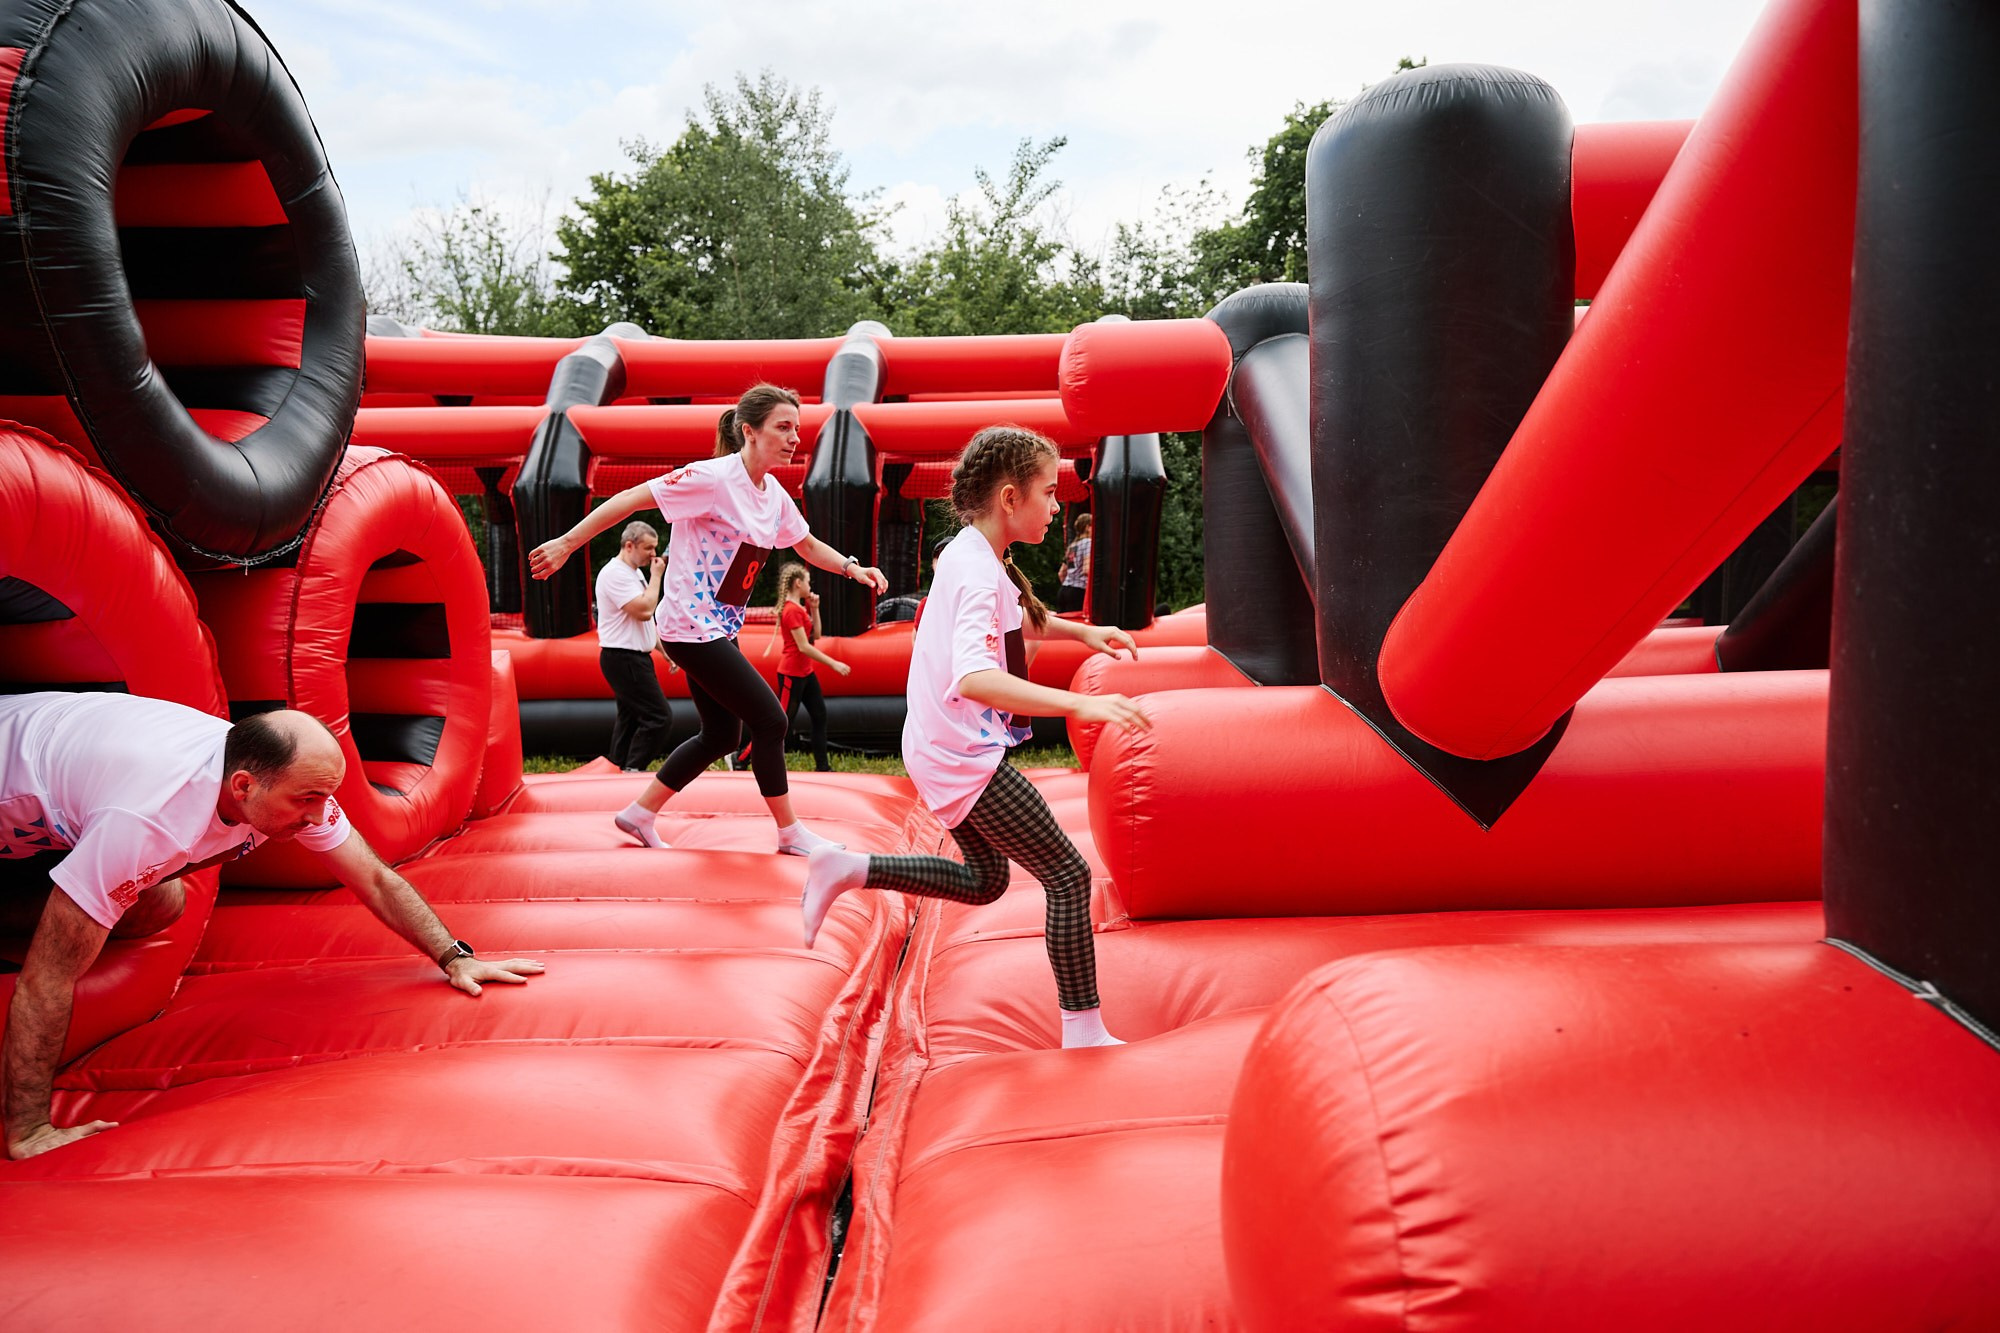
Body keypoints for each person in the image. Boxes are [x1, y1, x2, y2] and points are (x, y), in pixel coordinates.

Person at [0, 694, 544, 1160]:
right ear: (243, 786)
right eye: (306, 801)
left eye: (324, 797)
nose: (318, 816)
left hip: (60, 771)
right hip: (22, 768)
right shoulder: (148, 818)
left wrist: (456, 956)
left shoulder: (280, 783)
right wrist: (30, 1130)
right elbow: (48, 979)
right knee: (74, 942)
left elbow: (375, 880)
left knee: (158, 902)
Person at [801, 427, 1149, 1049]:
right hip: (960, 752)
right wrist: (1079, 701)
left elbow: (1022, 617)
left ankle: (848, 867)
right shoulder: (973, 569)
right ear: (1010, 497)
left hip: (940, 744)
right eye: (1048, 493)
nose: (1056, 506)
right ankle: (1084, 1030)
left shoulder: (977, 554)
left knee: (987, 880)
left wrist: (1086, 634)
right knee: (1068, 876)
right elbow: (976, 676)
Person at [528, 383, 887, 854]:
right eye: (783, 427)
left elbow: (807, 545)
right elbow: (632, 499)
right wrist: (567, 543)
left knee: (722, 733)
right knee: (771, 720)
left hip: (719, 627)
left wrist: (850, 567)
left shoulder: (772, 494)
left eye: (797, 428)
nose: (794, 437)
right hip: (688, 626)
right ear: (749, 432)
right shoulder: (711, 478)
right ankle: (790, 833)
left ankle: (639, 813)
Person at [745, 564, 849, 773]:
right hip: (791, 674)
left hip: (805, 673)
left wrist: (815, 608)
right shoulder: (791, 611)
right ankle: (742, 758)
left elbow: (816, 636)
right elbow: (803, 646)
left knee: (819, 715)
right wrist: (833, 663)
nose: (810, 585)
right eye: (808, 581)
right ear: (798, 583)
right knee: (780, 723)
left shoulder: (800, 609)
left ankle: (823, 767)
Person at [595, 520, 671, 772]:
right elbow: (644, 611)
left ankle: (618, 767)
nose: (653, 554)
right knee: (658, 717)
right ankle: (633, 768)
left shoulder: (634, 573)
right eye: (648, 548)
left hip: (633, 657)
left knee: (628, 719)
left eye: (655, 548)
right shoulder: (615, 573)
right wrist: (657, 576)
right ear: (630, 546)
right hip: (623, 657)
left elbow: (646, 626)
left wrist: (664, 652)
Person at [1056, 511, 1093, 614]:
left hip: (1064, 590)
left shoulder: (1072, 546)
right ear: (1087, 527)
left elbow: (1061, 573)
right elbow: (1086, 570)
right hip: (1078, 592)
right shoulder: (1088, 543)